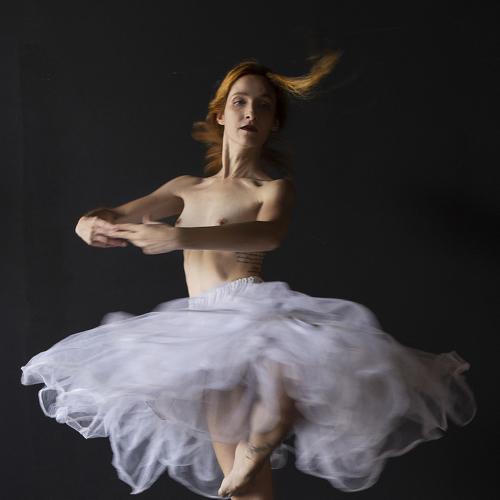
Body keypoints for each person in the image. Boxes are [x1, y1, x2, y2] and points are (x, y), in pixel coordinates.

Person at [20, 51, 477, 500]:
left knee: (281, 395)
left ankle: (258, 448)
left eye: (264, 106)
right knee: (244, 489)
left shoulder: (272, 189)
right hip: (200, 330)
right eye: (240, 102)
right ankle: (250, 464)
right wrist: (89, 221)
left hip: (251, 309)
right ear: (220, 115)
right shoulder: (186, 188)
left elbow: (268, 235)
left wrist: (179, 237)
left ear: (273, 123)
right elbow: (117, 214)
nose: (251, 113)